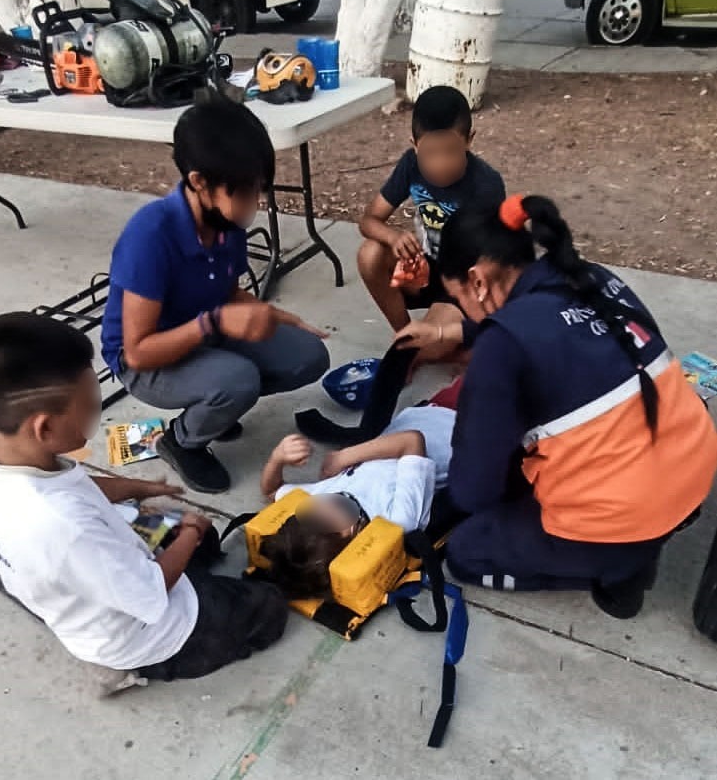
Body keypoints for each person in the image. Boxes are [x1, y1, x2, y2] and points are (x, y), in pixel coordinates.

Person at [396, 194, 717, 619]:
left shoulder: (502, 348)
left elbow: (474, 490)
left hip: (629, 514)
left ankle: (621, 571)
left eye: (459, 299)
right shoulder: (592, 278)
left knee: (466, 551)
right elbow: (554, 329)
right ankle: (643, 535)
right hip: (693, 465)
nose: (465, 313)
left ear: (477, 281)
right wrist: (454, 333)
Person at [0, 313, 287, 680]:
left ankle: (38, 586)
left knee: (203, 546)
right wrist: (191, 530)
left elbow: (71, 484)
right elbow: (153, 593)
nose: (95, 414)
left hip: (69, 568)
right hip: (140, 634)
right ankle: (131, 667)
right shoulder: (63, 524)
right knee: (268, 605)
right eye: (89, 407)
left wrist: (141, 488)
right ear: (44, 428)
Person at [100, 96, 330, 494]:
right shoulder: (150, 235)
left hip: (205, 332)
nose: (254, 204)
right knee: (238, 381)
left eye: (258, 189)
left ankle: (214, 408)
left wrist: (268, 314)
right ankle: (182, 440)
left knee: (308, 357)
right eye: (244, 192)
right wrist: (214, 323)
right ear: (198, 182)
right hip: (147, 360)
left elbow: (227, 292)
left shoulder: (225, 223)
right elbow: (138, 353)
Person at [357, 85, 505, 361]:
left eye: (450, 151)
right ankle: (406, 335)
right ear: (414, 145)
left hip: (464, 282)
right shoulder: (410, 165)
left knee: (431, 351)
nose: (440, 164)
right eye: (430, 153)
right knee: (370, 253)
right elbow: (369, 220)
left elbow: (495, 264)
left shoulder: (486, 184)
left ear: (469, 140)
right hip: (427, 269)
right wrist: (393, 237)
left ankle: (437, 343)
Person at [258, 403, 456, 600]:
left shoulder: (316, 500)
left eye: (312, 512)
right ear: (351, 545)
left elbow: (271, 491)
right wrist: (344, 457)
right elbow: (412, 440)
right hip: (455, 425)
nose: (326, 505)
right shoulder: (396, 519)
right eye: (330, 520)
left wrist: (277, 458)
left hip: (414, 415)